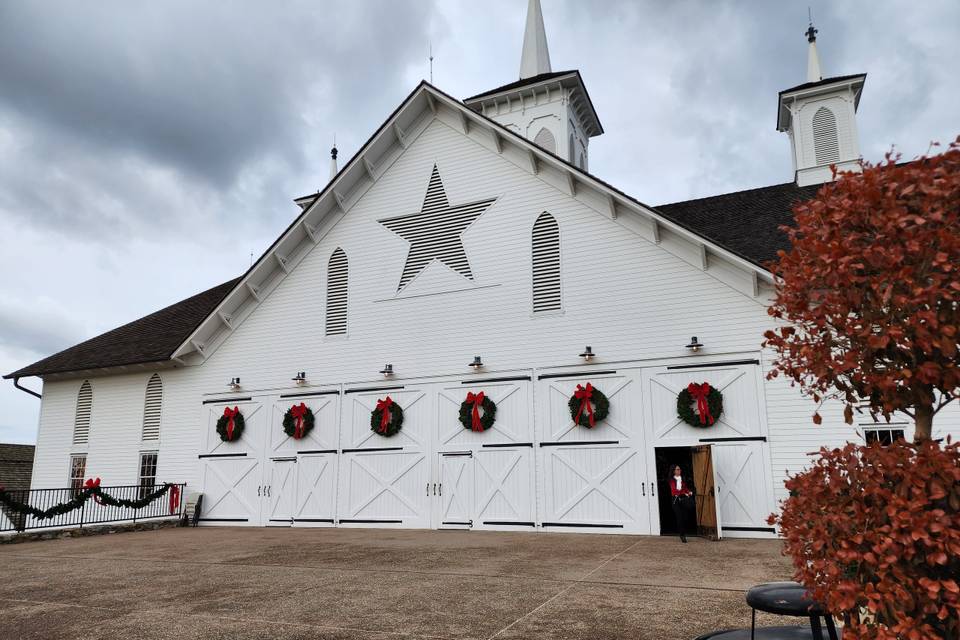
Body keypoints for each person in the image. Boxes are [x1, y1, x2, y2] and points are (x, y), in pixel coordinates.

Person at [668, 464, 694, 543]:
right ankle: (682, 535)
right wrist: (684, 493)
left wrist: (688, 492)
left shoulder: (681, 479)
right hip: (675, 500)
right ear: (674, 471)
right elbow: (674, 491)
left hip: (682, 499)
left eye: (680, 469)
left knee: (685, 517)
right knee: (679, 517)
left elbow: (684, 488)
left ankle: (683, 531)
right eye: (678, 469)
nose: (679, 470)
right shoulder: (671, 480)